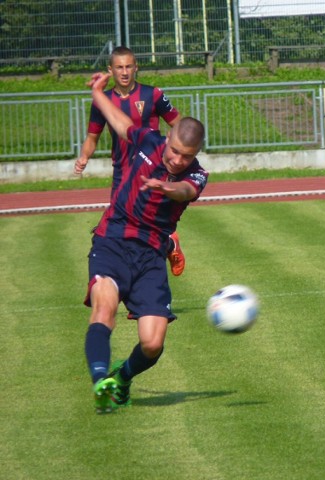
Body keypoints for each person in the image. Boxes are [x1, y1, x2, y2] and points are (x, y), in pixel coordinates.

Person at [83, 70, 208, 413]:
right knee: (104, 308)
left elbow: (187, 190)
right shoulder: (149, 141)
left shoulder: (197, 174)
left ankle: (121, 378)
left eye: (187, 155)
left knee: (152, 344)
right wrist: (98, 93)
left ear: (196, 153)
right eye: (176, 151)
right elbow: (120, 122)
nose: (177, 160)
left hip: (150, 254)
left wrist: (169, 186)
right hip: (111, 241)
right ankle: (100, 382)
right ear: (168, 138)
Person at [74, 46, 187, 276]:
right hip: (122, 173)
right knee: (124, 229)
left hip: (152, 170)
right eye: (119, 67)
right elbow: (92, 137)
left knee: (142, 225)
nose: (124, 72)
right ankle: (167, 245)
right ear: (111, 70)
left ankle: (145, 282)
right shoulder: (102, 102)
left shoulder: (152, 94)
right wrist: (84, 156)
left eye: (128, 66)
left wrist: (176, 149)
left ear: (136, 67)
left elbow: (180, 125)